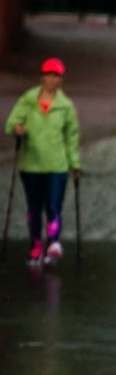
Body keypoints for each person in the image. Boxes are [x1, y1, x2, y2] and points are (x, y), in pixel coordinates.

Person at [4, 57, 81, 267]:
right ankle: (36, 246)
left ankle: (54, 244)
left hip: (57, 165)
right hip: (31, 164)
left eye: (56, 76)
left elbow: (71, 137)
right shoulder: (27, 101)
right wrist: (17, 128)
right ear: (42, 77)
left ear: (61, 80)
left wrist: (75, 164)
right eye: (48, 75)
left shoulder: (66, 107)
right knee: (34, 207)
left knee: (53, 205)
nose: (51, 80)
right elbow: (11, 123)